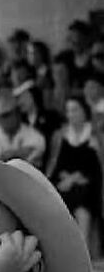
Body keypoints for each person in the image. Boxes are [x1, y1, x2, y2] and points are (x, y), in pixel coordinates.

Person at [46, 95, 103, 251]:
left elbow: (97, 167)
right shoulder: (60, 135)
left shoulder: (96, 135)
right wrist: (67, 177)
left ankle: (83, 254)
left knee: (83, 204)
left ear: (85, 111)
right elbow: (55, 165)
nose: (71, 114)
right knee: (63, 197)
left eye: (75, 110)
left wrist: (76, 178)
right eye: (68, 110)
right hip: (65, 183)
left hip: (89, 185)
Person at [0, 92, 46, 169]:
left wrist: (9, 155)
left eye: (7, 115)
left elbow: (33, 159)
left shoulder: (34, 135)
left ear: (17, 113)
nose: (4, 120)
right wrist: (19, 153)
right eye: (2, 116)